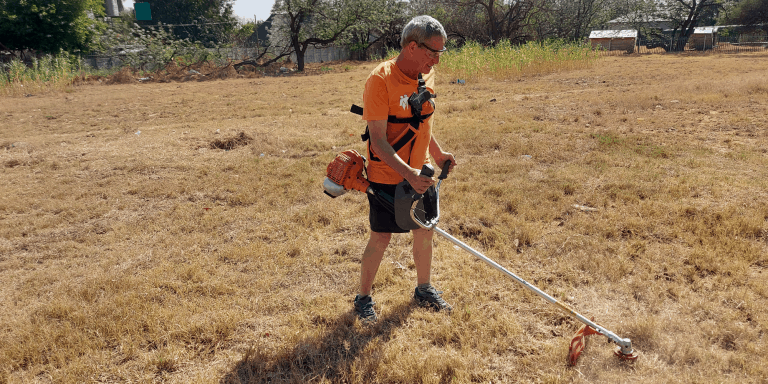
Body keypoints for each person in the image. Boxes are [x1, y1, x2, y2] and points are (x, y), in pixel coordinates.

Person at [354, 15, 456, 323]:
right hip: (387, 174)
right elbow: (378, 140)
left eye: (441, 53)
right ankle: (363, 298)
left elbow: (421, 121)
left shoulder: (426, 75)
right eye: (432, 52)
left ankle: (423, 289)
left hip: (420, 172)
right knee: (381, 236)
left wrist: (437, 155)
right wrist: (407, 173)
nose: (436, 60)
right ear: (411, 46)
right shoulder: (380, 80)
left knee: (425, 231)